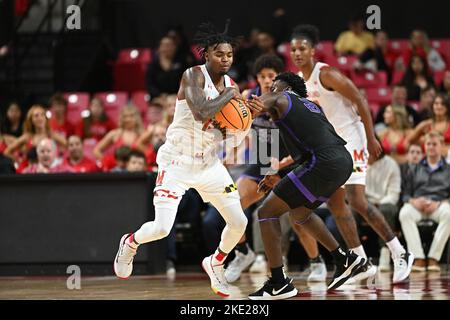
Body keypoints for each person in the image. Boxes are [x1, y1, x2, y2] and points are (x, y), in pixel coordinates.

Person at [113, 21, 258, 298]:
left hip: (209, 163)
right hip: (177, 161)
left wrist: (248, 119)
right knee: (162, 228)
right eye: (219, 54)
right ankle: (130, 242)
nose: (225, 59)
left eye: (229, 55)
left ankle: (215, 262)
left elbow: (230, 132)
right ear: (206, 55)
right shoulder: (193, 76)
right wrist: (230, 96)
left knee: (239, 222)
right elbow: (202, 111)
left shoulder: (231, 85)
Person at [290, 24, 413, 284]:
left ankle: (400, 252)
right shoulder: (299, 82)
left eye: (302, 48)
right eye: (293, 49)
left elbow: (360, 99)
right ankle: (361, 262)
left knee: (357, 200)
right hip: (332, 144)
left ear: (313, 50)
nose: (297, 53)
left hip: (353, 138)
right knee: (336, 203)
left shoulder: (327, 74)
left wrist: (370, 138)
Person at [246, 72, 365, 300]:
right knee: (300, 213)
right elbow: (308, 147)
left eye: (274, 85)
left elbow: (267, 100)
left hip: (322, 162)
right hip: (342, 161)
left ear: (286, 87)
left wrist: (246, 107)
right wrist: (277, 172)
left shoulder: (284, 97)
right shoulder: (311, 107)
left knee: (266, 212)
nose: (271, 88)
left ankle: (279, 283)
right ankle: (344, 259)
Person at [224, 54, 327, 283]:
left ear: (279, 78)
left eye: (271, 76)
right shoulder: (249, 97)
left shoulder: (287, 100)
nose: (267, 80)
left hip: (290, 160)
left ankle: (316, 261)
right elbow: (241, 129)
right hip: (262, 160)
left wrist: (282, 164)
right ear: (257, 78)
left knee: (298, 217)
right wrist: (232, 151)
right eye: (262, 76)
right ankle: (242, 253)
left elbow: (303, 139)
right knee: (231, 203)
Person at [399, 131, 450, 272]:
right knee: (404, 213)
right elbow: (405, 194)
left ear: (442, 146)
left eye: (435, 144)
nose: (431, 147)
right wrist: (413, 201)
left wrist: (439, 203)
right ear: (424, 147)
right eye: (428, 144)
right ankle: (418, 258)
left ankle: (434, 258)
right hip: (417, 206)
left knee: (449, 213)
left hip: (439, 205)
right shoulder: (414, 168)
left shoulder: (448, 170)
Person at [409, 94, 450, 160]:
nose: (439, 106)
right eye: (436, 104)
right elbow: (409, 140)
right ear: (432, 106)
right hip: (429, 160)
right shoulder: (426, 124)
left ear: (448, 107)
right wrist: (423, 140)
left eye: (443, 104)